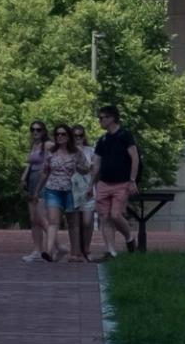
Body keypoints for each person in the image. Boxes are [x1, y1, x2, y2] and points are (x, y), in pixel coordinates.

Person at [37, 124, 91, 263]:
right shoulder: (51, 152)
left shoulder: (76, 152)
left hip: (71, 191)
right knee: (53, 221)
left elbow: (86, 169)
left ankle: (75, 253)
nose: (60, 137)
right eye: (57, 134)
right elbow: (45, 171)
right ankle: (48, 251)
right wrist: (37, 190)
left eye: (63, 134)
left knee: (73, 223)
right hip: (53, 190)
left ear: (69, 137)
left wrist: (80, 167)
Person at [93, 105, 141, 258]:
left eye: (102, 117)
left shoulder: (125, 135)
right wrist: (90, 185)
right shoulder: (102, 140)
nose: (100, 121)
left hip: (121, 183)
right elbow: (96, 164)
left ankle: (129, 238)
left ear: (111, 118)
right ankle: (111, 251)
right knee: (105, 218)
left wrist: (132, 180)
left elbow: (135, 157)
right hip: (104, 183)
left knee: (115, 215)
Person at [20, 120, 50, 263]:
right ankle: (37, 250)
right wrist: (23, 178)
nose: (35, 132)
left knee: (41, 218)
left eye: (38, 130)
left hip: (42, 181)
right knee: (33, 219)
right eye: (32, 130)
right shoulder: (34, 145)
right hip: (31, 180)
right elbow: (30, 163)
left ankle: (56, 246)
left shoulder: (47, 145)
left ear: (44, 131)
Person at [70, 124, 98, 262]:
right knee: (75, 223)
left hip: (87, 188)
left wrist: (91, 186)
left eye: (80, 135)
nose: (78, 138)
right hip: (72, 189)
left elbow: (90, 170)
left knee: (87, 221)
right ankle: (77, 251)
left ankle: (86, 248)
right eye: (75, 135)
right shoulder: (67, 151)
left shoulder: (90, 150)